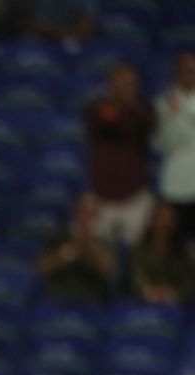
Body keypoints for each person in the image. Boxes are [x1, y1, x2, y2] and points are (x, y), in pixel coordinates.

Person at [84, 63, 155, 247]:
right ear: (111, 84)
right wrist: (120, 107)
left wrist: (130, 106)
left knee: (137, 250)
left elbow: (147, 126)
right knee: (98, 250)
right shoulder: (98, 109)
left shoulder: (144, 108)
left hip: (135, 197)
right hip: (102, 198)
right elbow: (103, 127)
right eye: (121, 82)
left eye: (130, 83)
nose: (126, 87)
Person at [36, 193, 116, 304]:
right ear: (75, 213)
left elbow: (109, 270)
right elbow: (42, 268)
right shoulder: (58, 238)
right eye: (83, 211)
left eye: (92, 213)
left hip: (92, 303)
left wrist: (89, 244)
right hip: (59, 301)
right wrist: (68, 252)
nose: (87, 217)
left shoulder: (104, 241)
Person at [155, 51, 195, 246]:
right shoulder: (163, 103)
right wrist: (174, 116)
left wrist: (182, 114)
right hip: (175, 186)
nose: (189, 74)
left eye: (192, 70)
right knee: (176, 245)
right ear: (176, 73)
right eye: (184, 70)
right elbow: (161, 143)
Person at [132, 201, 195, 304]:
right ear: (151, 221)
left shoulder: (184, 251)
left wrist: (172, 292)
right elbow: (137, 281)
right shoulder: (139, 251)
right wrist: (150, 291)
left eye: (168, 219)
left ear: (174, 222)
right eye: (159, 218)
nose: (163, 224)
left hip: (181, 307)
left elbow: (190, 282)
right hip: (146, 306)